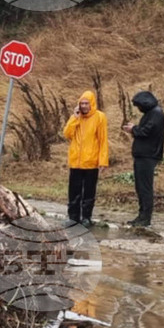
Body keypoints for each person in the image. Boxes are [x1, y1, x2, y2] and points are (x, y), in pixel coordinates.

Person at [62, 90, 108, 227]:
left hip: (91, 162)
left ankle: (86, 217)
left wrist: (103, 161)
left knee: (89, 191)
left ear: (92, 103)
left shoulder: (100, 117)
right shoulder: (76, 118)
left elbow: (103, 140)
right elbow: (67, 134)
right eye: (81, 103)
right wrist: (74, 118)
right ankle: (73, 217)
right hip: (76, 161)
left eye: (86, 103)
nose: (84, 106)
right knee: (74, 191)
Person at [121, 91, 164, 227]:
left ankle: (145, 218)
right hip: (143, 155)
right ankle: (141, 216)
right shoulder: (151, 113)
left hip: (148, 155)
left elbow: (146, 132)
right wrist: (135, 129)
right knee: (140, 187)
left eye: (139, 106)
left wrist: (133, 129)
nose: (138, 109)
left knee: (145, 188)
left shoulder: (156, 113)